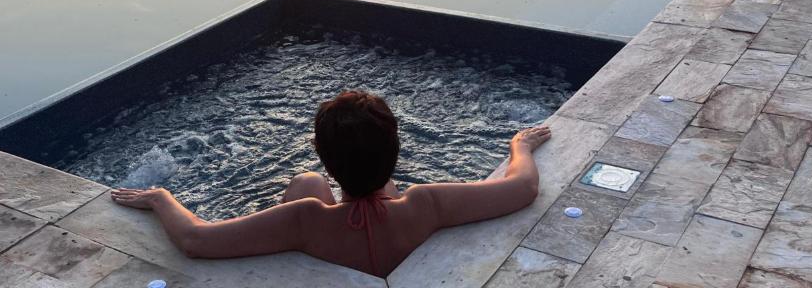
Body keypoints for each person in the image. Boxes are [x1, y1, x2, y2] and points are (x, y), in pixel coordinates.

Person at [111, 89, 551, 278]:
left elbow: (194, 240)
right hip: (389, 217)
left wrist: (159, 196)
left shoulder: (304, 220)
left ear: (327, 156)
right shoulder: (426, 204)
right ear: (394, 152)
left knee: (305, 183)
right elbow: (522, 189)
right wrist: (520, 148)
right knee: (352, 188)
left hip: (322, 237)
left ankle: (333, 186)